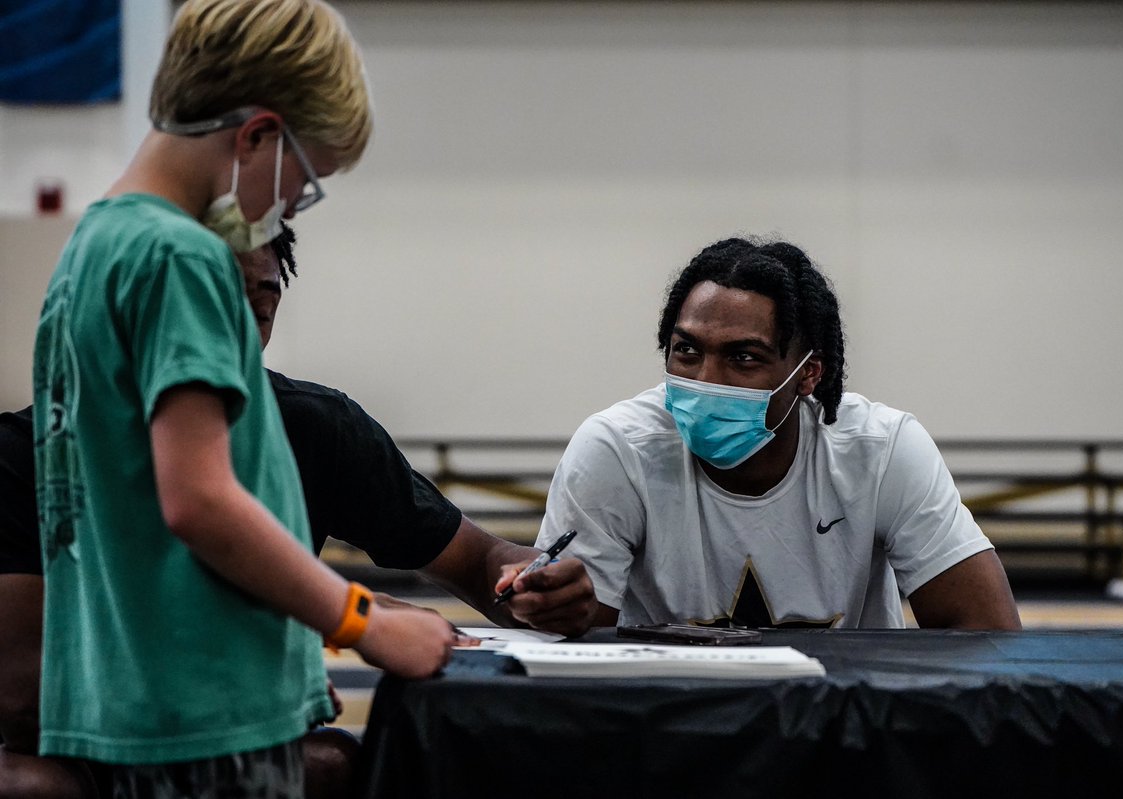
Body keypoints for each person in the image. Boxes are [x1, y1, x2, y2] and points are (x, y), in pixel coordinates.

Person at [1, 227, 596, 798]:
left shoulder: (313, 428)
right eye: (213, 296)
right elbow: (27, 700)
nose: (243, 322)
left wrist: (533, 582)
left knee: (334, 763)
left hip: (235, 738)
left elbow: (477, 561)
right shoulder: (31, 450)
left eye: (262, 303)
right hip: (85, 751)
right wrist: (332, 622)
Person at [29, 2, 446, 796]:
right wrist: (363, 621)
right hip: (207, 711)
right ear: (256, 136)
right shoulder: (181, 255)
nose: (283, 212)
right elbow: (201, 502)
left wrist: (310, 600)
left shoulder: (95, 244)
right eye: (301, 183)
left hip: (126, 700)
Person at [537, 236, 1022, 631]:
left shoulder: (881, 450)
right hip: (672, 729)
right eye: (687, 351)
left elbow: (985, 633)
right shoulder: (617, 449)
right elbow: (571, 643)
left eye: (743, 357)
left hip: (841, 725)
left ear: (808, 375)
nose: (705, 381)